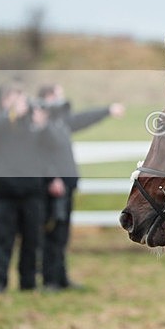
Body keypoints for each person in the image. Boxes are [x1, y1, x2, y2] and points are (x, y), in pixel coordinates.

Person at [36, 83, 125, 291]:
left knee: (62, 234)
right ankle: (49, 280)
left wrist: (107, 111)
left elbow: (84, 118)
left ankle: (61, 277)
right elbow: (39, 155)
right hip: (53, 187)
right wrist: (52, 178)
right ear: (47, 97)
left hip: (66, 186)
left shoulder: (60, 121)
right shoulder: (41, 124)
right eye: (57, 96)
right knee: (52, 232)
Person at [0, 83, 57, 292]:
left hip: (32, 192)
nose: (22, 106)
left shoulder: (33, 125)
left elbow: (51, 146)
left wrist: (43, 125)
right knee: (2, 239)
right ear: (6, 101)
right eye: (16, 101)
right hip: (5, 192)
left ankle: (28, 282)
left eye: (22, 101)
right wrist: (12, 113)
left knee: (32, 240)